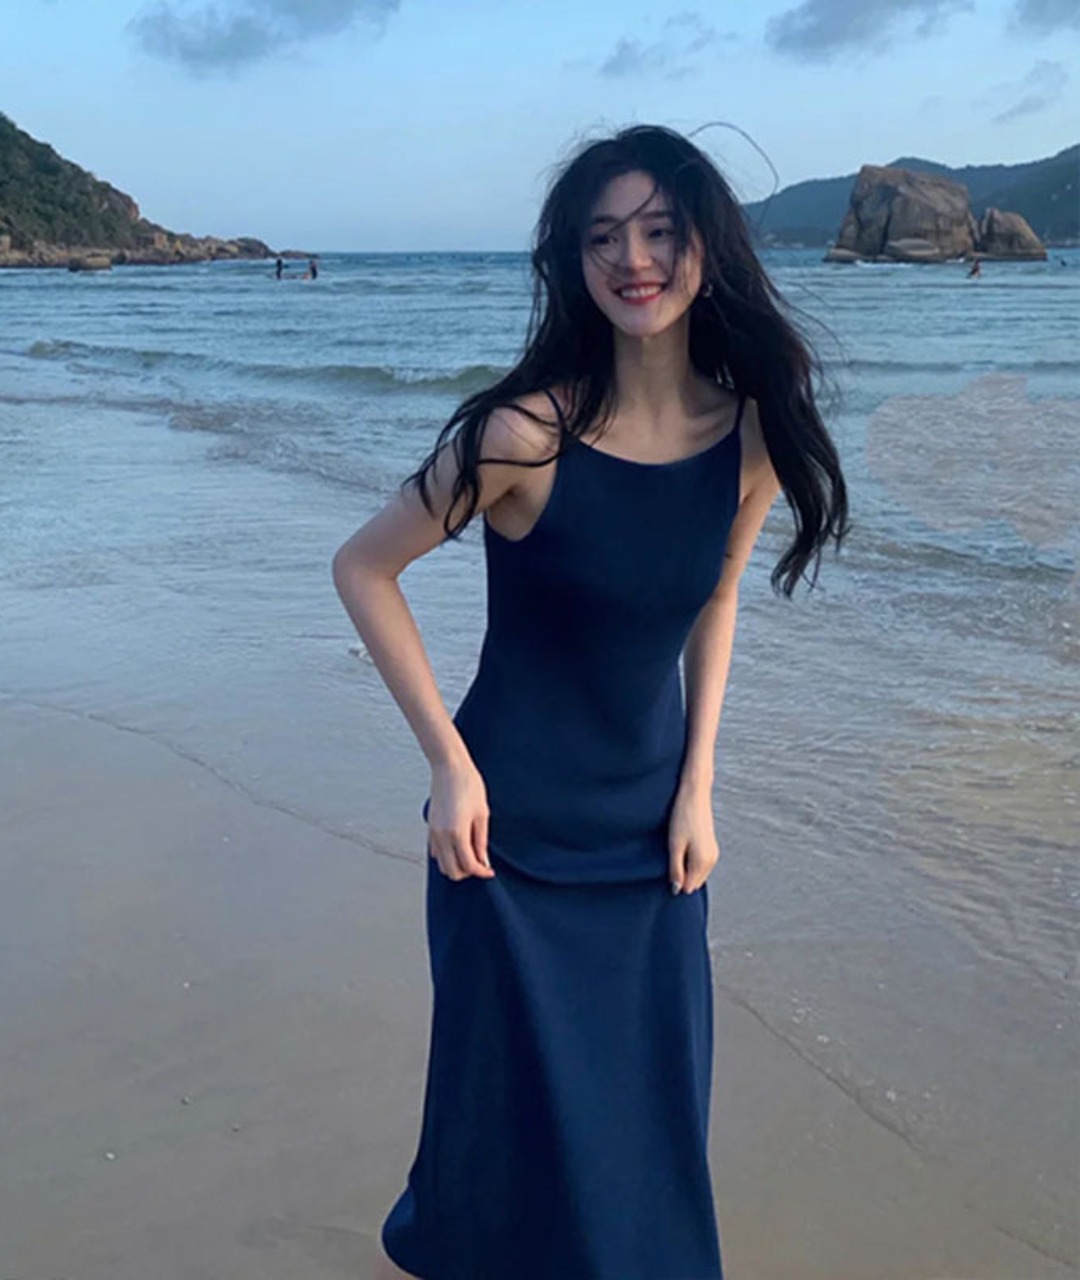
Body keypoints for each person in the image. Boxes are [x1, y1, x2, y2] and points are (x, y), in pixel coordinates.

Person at [332, 124, 848, 1280]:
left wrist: (697, 786)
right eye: (602, 237)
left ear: (705, 244)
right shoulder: (521, 436)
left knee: (645, 1126)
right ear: (572, 260)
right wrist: (447, 764)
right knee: (499, 1130)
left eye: (659, 230)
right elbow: (363, 566)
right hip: (503, 839)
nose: (633, 259)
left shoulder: (750, 433)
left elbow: (715, 596)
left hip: (649, 837)